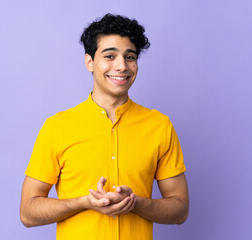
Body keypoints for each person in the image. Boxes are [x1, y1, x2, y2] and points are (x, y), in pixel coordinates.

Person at [20, 13, 189, 240]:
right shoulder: (57, 127)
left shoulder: (160, 125)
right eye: (110, 56)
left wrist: (136, 203)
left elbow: (180, 210)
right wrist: (83, 202)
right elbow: (28, 213)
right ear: (89, 62)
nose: (122, 66)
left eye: (130, 57)